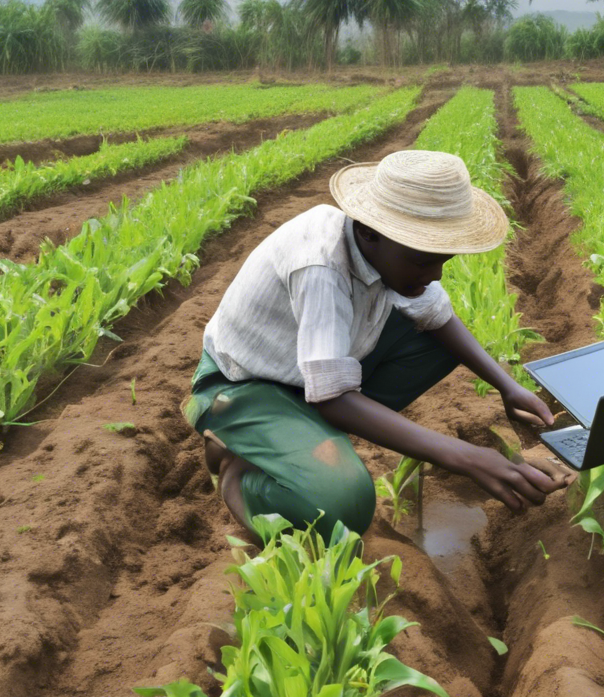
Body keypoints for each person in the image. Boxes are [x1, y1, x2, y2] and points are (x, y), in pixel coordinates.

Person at [184, 150, 571, 541]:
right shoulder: (320, 266)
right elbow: (331, 398)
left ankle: (304, 438)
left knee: (439, 344)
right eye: (423, 261)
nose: (435, 274)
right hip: (243, 384)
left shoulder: (379, 249)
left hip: (305, 377)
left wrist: (508, 386)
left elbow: (438, 316)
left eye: (443, 261)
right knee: (341, 507)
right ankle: (237, 470)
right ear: (369, 232)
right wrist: (466, 457)